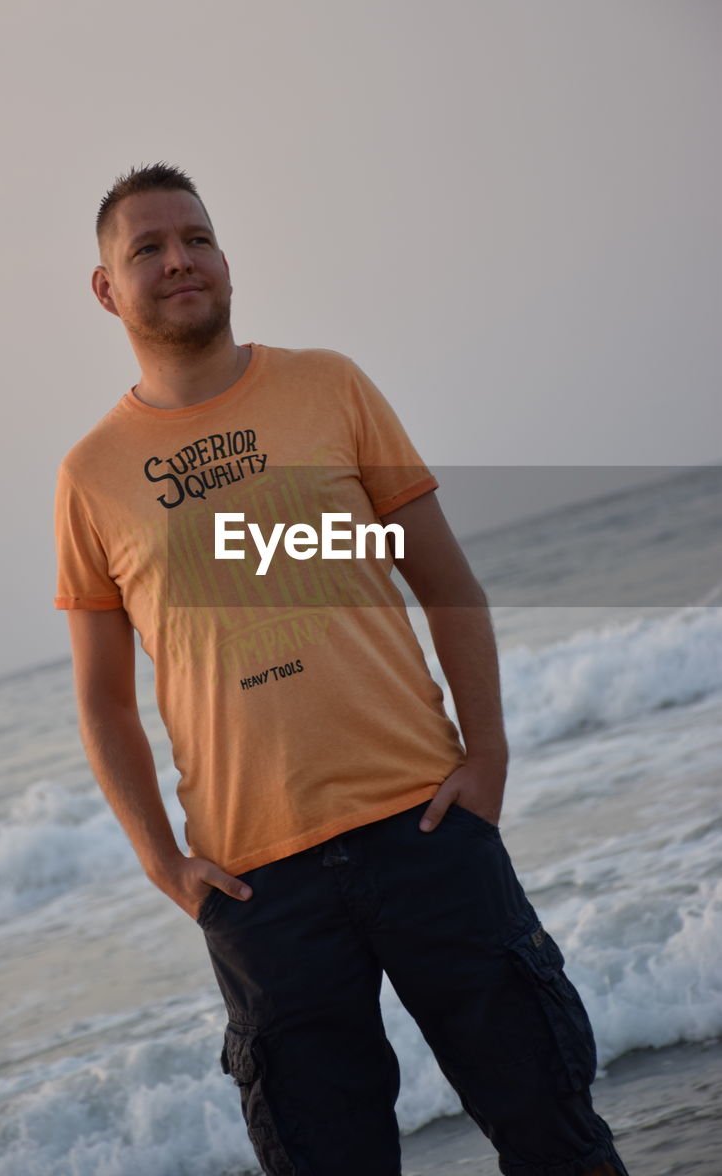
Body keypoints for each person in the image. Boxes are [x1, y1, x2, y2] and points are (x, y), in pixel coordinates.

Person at [53, 162, 629, 1176]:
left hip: (426, 827)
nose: (179, 258)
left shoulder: (329, 385)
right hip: (257, 883)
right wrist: (161, 857)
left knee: (554, 1133)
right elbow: (101, 696)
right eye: (147, 246)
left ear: (224, 257)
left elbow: (446, 578)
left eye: (197, 236)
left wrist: (484, 755)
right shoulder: (91, 474)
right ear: (107, 286)